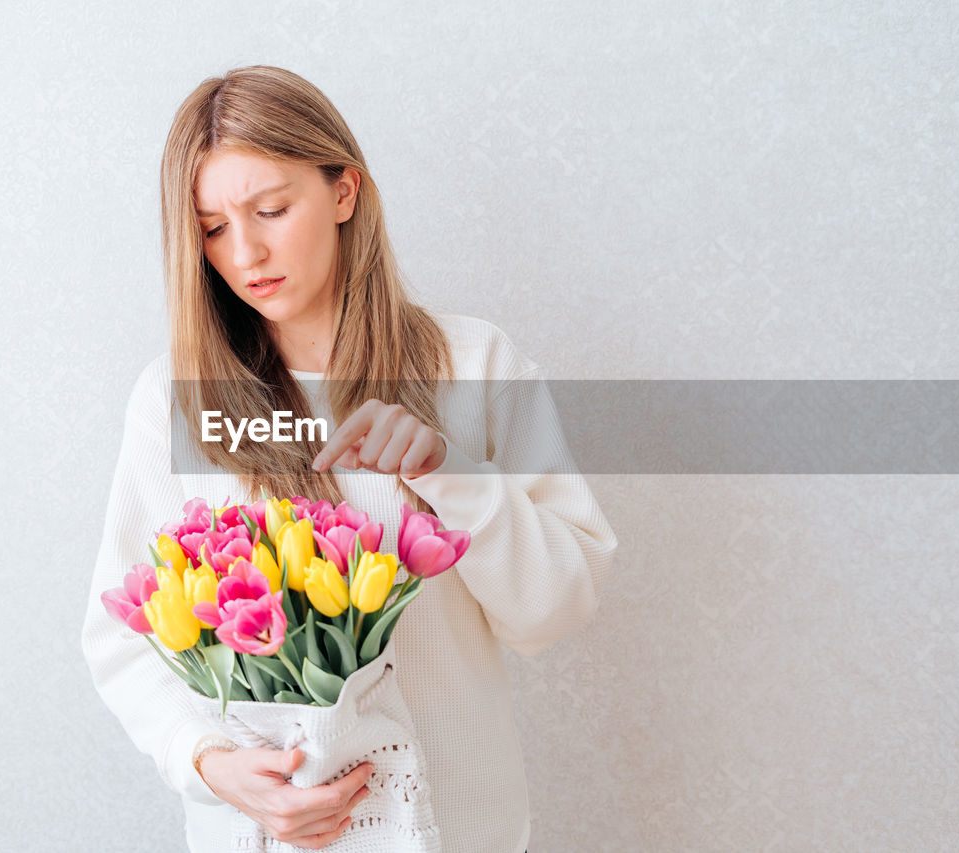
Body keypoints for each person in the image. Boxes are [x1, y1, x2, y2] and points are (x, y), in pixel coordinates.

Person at [81, 65, 617, 853]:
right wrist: (210, 763)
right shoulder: (174, 398)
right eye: (213, 227)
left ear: (343, 192)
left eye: (270, 208)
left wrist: (449, 472)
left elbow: (556, 609)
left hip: (464, 833)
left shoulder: (474, 365)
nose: (247, 251)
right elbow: (122, 633)